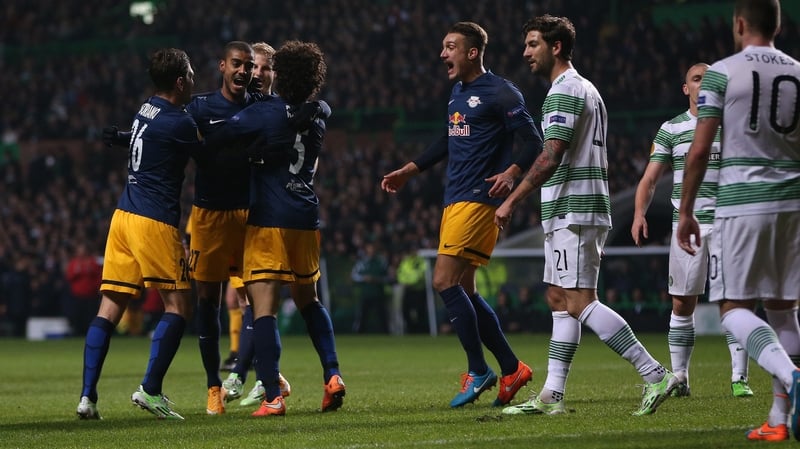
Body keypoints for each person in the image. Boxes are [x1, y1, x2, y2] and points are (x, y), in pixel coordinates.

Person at [495, 15, 677, 417]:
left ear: (555, 46)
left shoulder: (566, 90)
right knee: (559, 298)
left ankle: (655, 374)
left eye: (532, 44)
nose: (525, 52)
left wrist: (513, 198)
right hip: (569, 207)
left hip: (575, 208)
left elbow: (551, 153)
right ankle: (550, 396)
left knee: (580, 301)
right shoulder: (585, 89)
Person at [381, 21, 538, 408]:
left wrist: (511, 173)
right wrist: (410, 169)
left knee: (442, 281)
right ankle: (511, 367)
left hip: (477, 200)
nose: (442, 54)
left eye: (450, 47)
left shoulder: (501, 92)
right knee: (464, 290)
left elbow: (533, 141)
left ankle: (478, 369)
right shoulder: (458, 93)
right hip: (455, 199)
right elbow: (446, 139)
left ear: (472, 52)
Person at [676, 0, 800, 441]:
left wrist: (686, 210)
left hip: (742, 202)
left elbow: (699, 149)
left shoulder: (722, 72)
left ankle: (792, 377)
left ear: (740, 23)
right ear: (778, 24)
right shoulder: (798, 72)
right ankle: (779, 419)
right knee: (784, 310)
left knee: (732, 311)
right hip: (792, 202)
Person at [210, 40, 343, 417]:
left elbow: (223, 136)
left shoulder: (267, 112)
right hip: (305, 214)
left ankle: (272, 396)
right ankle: (332, 375)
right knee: (309, 300)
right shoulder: (316, 114)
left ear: (279, 74)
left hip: (269, 216)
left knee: (260, 308)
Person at [76, 47, 199, 420]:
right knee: (178, 305)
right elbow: (206, 154)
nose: (194, 79)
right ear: (180, 82)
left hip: (123, 216)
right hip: (154, 221)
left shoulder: (146, 108)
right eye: (191, 74)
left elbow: (147, 136)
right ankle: (151, 390)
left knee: (110, 306)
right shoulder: (179, 121)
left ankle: (87, 397)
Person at [631, 62, 753, 398]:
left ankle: (739, 378)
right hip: (687, 227)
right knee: (683, 302)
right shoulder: (671, 128)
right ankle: (681, 376)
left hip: (729, 223)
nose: (703, 84)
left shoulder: (734, 125)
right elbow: (650, 178)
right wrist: (639, 212)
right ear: (686, 88)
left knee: (735, 300)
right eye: (697, 79)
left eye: (709, 78)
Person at [221, 42, 292, 408]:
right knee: (247, 300)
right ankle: (266, 377)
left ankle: (254, 378)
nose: (258, 74)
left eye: (265, 69)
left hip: (266, 216)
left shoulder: (278, 111)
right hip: (237, 216)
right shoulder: (247, 105)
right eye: (254, 68)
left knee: (257, 302)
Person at [351, 242, 390, 333]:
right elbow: (354, 275)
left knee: (382, 316)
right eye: (369, 249)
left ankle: (386, 334)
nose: (371, 251)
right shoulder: (361, 263)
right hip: (366, 294)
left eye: (372, 249)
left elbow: (388, 277)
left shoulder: (381, 262)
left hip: (378, 293)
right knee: (363, 316)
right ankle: (359, 335)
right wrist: (364, 278)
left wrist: (377, 280)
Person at [64, 242, 102, 336]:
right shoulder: (74, 263)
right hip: (77, 296)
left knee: (90, 317)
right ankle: (77, 334)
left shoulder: (93, 262)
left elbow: (98, 277)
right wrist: (77, 272)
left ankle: (90, 334)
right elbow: (69, 277)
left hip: (91, 296)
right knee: (78, 317)